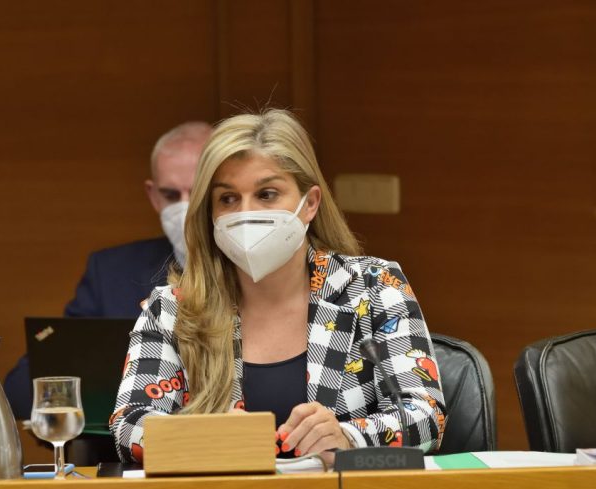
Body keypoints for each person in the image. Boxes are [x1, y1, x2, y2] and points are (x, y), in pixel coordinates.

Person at [110, 109, 446, 465]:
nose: (246, 212)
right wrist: (204, 436)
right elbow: (128, 424)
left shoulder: (374, 287)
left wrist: (348, 437)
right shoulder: (173, 308)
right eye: (227, 199)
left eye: (267, 194)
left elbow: (426, 415)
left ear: (310, 203)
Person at [3, 121, 213, 419]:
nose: (185, 208)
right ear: (153, 196)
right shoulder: (112, 272)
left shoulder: (258, 273)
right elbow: (25, 391)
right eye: (170, 195)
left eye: (198, 191)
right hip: (132, 443)